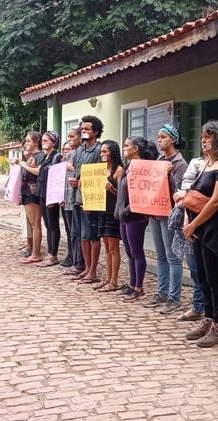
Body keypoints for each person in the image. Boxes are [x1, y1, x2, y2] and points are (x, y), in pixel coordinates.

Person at [175, 121, 218, 348]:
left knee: (214, 278)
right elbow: (194, 194)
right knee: (202, 276)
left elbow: (216, 200)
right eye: (202, 136)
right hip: (199, 226)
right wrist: (189, 221)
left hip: (215, 228)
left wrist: (194, 224)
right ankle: (208, 319)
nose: (204, 140)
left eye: (209, 137)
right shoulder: (205, 163)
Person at [144, 124, 188, 315]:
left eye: (163, 137)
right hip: (155, 212)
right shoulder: (158, 160)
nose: (159, 139)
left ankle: (174, 297)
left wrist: (169, 175)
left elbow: (180, 191)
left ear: (173, 139)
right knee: (160, 255)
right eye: (158, 136)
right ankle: (162, 292)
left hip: (169, 214)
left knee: (173, 257)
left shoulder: (180, 163)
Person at [115, 136, 158, 302]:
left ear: (136, 149)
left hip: (135, 216)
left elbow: (141, 193)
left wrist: (126, 210)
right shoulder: (129, 166)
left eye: (127, 146)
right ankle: (132, 284)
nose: (124, 149)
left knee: (136, 251)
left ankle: (139, 287)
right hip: (123, 216)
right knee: (129, 252)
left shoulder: (142, 168)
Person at [69, 115, 104, 284]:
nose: (83, 131)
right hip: (77, 195)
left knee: (92, 235)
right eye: (82, 129)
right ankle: (87, 268)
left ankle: (93, 270)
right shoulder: (79, 150)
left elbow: (101, 172)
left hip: (92, 197)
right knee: (81, 234)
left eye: (87, 129)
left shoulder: (99, 150)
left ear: (95, 132)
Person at [176, 153, 206, 322]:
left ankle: (208, 308)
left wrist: (186, 197)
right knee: (194, 268)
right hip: (189, 217)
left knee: (205, 270)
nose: (204, 142)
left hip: (205, 222)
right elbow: (186, 190)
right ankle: (198, 305)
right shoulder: (195, 162)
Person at [94, 140, 124, 292]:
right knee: (106, 247)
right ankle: (107, 278)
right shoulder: (100, 169)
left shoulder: (118, 170)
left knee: (113, 248)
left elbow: (123, 196)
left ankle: (114, 280)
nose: (102, 154)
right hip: (101, 210)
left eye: (105, 152)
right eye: (101, 152)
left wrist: (112, 189)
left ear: (112, 152)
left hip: (113, 212)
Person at [35, 131, 63, 267]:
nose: (43, 143)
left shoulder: (57, 157)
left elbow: (58, 178)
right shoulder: (44, 158)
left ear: (53, 142)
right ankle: (50, 253)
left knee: (53, 224)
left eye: (46, 140)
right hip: (42, 192)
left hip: (51, 194)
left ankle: (53, 254)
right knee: (47, 224)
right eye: (43, 140)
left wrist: (56, 197)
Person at [19, 131, 45, 264]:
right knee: (32, 223)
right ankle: (34, 251)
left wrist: (23, 165)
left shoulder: (39, 156)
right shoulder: (31, 156)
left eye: (29, 141)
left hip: (33, 192)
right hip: (27, 192)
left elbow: (38, 171)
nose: (27, 143)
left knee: (35, 224)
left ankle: (36, 253)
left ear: (36, 142)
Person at [62, 127, 84, 272]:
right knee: (72, 232)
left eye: (72, 137)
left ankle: (80, 263)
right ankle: (74, 260)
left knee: (80, 233)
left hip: (80, 198)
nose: (70, 139)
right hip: (69, 197)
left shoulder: (82, 153)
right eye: (68, 137)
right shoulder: (71, 154)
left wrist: (71, 168)